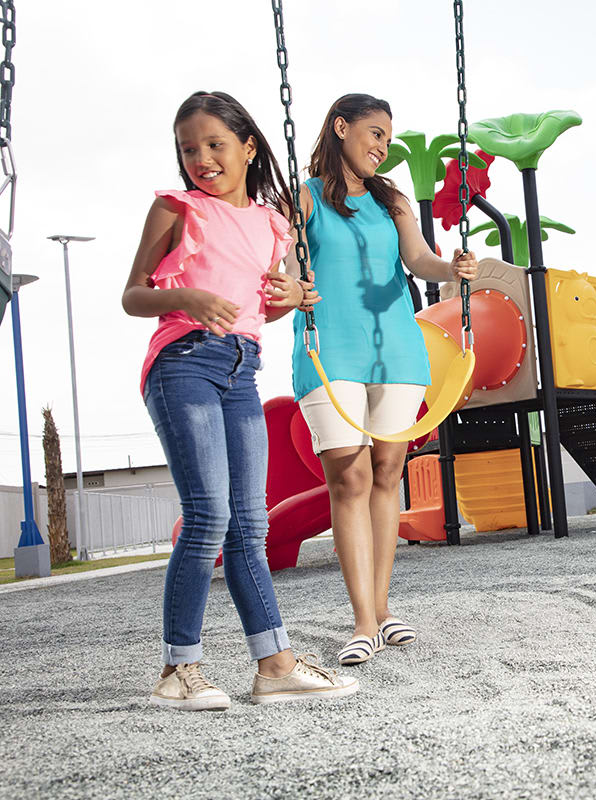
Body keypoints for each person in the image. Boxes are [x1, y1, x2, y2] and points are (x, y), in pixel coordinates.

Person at [123, 91, 358, 709]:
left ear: (247, 147)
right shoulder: (176, 208)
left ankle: (274, 666)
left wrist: (293, 296)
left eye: (214, 144)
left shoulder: (272, 222)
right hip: (183, 365)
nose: (201, 158)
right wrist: (188, 300)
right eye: (189, 148)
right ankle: (179, 672)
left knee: (249, 525)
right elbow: (132, 295)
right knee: (207, 517)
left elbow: (262, 308)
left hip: (240, 369)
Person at [289, 94, 478, 666]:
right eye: (373, 133)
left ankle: (384, 606)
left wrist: (453, 269)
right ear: (340, 128)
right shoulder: (303, 197)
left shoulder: (390, 198)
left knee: (387, 472)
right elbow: (289, 262)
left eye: (387, 139)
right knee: (349, 477)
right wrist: (291, 286)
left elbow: (419, 259)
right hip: (329, 350)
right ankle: (362, 621)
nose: (381, 147)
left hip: (395, 348)